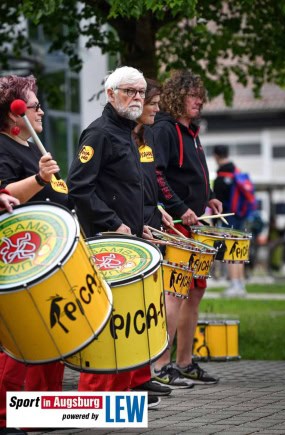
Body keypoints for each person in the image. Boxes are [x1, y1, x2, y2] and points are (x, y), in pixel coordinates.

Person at [67, 66, 162, 408]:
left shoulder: (127, 133)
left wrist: (141, 224)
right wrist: (112, 223)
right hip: (107, 243)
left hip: (129, 239)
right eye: (129, 91)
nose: (137, 97)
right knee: (109, 329)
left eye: (140, 92)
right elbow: (79, 187)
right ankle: (92, 405)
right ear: (110, 94)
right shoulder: (100, 134)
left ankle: (117, 404)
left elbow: (126, 189)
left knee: (125, 327)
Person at [0, 74, 68, 435]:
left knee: (53, 335)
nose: (41, 111)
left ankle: (43, 412)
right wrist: (40, 180)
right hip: (23, 259)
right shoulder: (3, 147)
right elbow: (4, 192)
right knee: (22, 340)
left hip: (49, 257)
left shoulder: (31, 147)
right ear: (16, 115)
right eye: (35, 106)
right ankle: (6, 418)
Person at [150, 70, 222, 387]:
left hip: (197, 226)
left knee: (194, 293)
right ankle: (162, 364)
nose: (200, 101)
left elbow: (196, 174)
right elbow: (157, 175)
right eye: (194, 95)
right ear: (178, 96)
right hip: (177, 227)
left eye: (200, 96)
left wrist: (211, 197)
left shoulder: (192, 132)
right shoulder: (164, 130)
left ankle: (185, 362)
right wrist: (181, 209)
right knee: (175, 293)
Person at [129, 79, 174, 397]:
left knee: (150, 306)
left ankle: (143, 373)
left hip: (149, 223)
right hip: (130, 231)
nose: (157, 109)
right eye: (153, 103)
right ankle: (131, 378)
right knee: (134, 307)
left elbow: (146, 186)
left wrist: (160, 208)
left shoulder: (144, 140)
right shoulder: (117, 138)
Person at [213, 144, 248, 297]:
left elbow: (217, 204)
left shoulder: (222, 177)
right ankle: (240, 284)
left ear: (216, 156)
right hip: (241, 216)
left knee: (231, 253)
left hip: (228, 217)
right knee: (239, 251)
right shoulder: (236, 172)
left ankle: (234, 285)